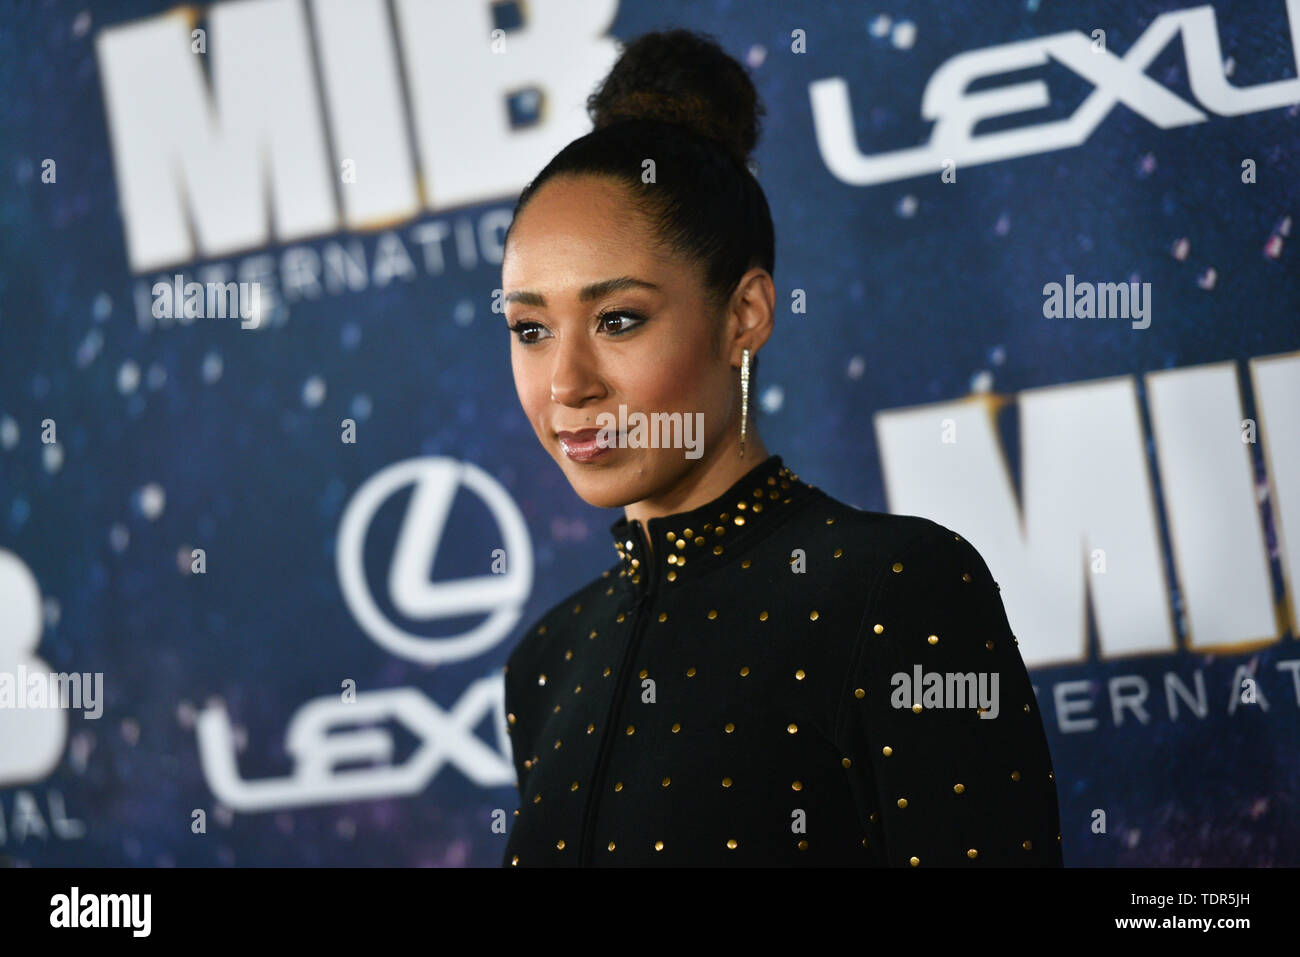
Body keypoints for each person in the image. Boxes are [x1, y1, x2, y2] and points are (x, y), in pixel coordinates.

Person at [498, 28, 1063, 867]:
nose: (565, 383)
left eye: (619, 320)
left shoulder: (897, 590)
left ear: (745, 315)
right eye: (531, 328)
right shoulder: (546, 661)